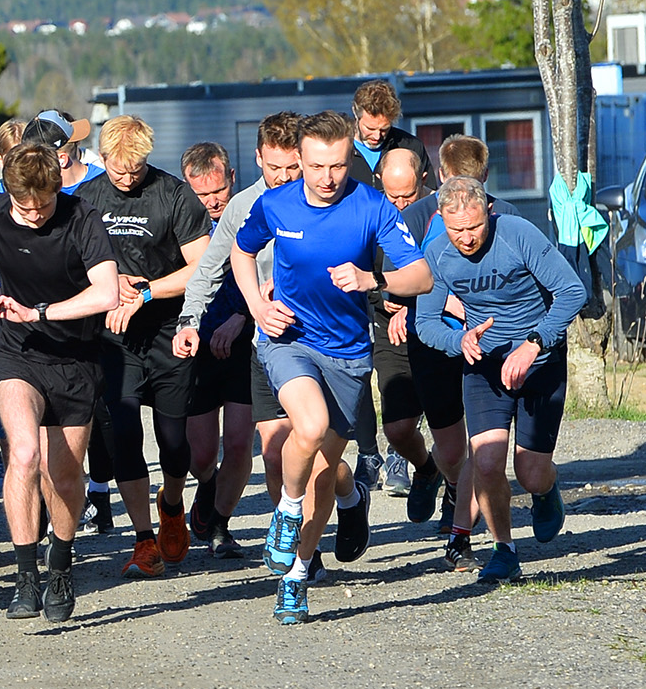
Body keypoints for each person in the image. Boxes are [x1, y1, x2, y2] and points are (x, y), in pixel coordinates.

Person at [232, 111, 430, 624]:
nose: (327, 178)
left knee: (325, 469)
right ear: (299, 160)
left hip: (347, 354)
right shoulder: (274, 203)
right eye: (317, 166)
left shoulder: (371, 205)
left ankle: (297, 574)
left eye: (338, 166)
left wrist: (373, 281)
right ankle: (285, 511)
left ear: (349, 160)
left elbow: (422, 275)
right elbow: (241, 249)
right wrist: (256, 305)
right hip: (288, 339)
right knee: (310, 426)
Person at [0, 144, 119, 624]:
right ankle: (26, 576)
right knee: (24, 454)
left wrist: (42, 312)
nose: (32, 215)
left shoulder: (82, 219)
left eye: (43, 205)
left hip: (75, 357)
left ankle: (62, 562)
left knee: (64, 475)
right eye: (22, 205)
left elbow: (107, 292)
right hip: (18, 350)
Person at [412, 178, 586, 581]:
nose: (467, 238)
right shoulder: (437, 254)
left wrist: (534, 343)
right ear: (441, 220)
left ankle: (546, 489)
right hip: (485, 367)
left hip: (539, 362)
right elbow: (424, 323)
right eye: (457, 230)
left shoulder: (517, 234)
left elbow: (572, 292)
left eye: (475, 227)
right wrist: (459, 340)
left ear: (488, 212)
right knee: (487, 461)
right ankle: (504, 549)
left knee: (530, 472)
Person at [74, 115, 213, 579]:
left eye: (135, 169)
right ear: (103, 157)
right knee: (124, 434)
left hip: (168, 329)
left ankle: (171, 505)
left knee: (176, 445)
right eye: (118, 168)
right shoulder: (87, 199)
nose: (127, 177)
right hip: (113, 334)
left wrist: (148, 290)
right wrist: (112, 283)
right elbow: (73, 264)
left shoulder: (173, 195)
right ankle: (143, 539)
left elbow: (201, 266)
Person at [176, 112, 307, 559]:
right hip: (256, 345)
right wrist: (189, 320)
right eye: (275, 168)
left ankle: (331, 513)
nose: (285, 178)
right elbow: (208, 270)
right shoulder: (243, 208)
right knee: (264, 450)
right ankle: (293, 540)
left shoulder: (332, 200)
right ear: (258, 160)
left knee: (295, 448)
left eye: (293, 168)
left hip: (316, 340)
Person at [176, 142, 254, 560]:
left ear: (232, 178)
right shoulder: (185, 226)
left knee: (240, 444)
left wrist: (242, 315)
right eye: (201, 194)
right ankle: (207, 487)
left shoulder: (250, 215)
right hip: (199, 347)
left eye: (217, 191)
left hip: (246, 342)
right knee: (202, 455)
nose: (212, 201)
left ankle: (222, 525)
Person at [370, 142, 437, 504]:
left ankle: (457, 508)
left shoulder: (438, 214)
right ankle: (426, 468)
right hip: (389, 328)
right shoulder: (372, 213)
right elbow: (359, 274)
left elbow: (447, 278)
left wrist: (415, 308)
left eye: (407, 195)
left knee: (450, 430)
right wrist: (381, 298)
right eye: (391, 194)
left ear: (423, 180)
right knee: (397, 427)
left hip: (439, 329)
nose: (399, 204)